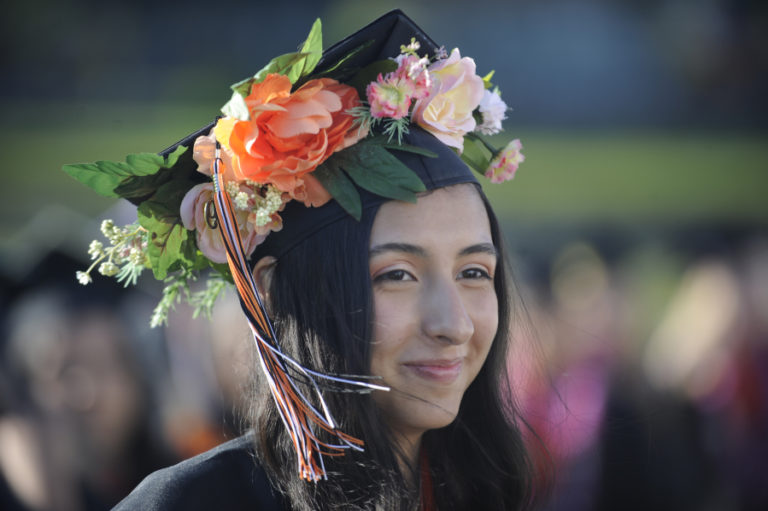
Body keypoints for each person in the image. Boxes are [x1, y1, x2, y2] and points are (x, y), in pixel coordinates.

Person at [65, 9, 539, 510]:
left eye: (473, 272)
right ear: (273, 290)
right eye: (397, 274)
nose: (454, 325)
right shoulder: (191, 503)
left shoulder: (487, 494)